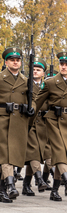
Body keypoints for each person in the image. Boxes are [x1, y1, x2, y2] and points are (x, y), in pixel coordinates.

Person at [34, 51, 67, 201]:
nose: (63, 67)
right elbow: (38, 101)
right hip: (54, 120)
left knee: (63, 155)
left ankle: (55, 190)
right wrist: (30, 119)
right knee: (60, 150)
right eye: (62, 64)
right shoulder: (50, 82)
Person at [0, 47, 36, 203]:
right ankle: (10, 185)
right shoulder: (0, 78)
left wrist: (31, 108)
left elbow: (33, 99)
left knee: (13, 155)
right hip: (3, 120)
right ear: (6, 62)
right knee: (5, 154)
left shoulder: (26, 81)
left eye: (18, 60)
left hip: (20, 121)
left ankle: (2, 190)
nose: (15, 62)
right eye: (12, 60)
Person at [23, 57, 52, 196]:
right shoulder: (26, 84)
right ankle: (39, 179)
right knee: (33, 151)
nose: (35, 71)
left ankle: (26, 185)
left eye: (38, 70)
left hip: (44, 124)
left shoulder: (46, 85)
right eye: (33, 69)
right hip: (30, 122)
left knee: (35, 154)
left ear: (43, 73)